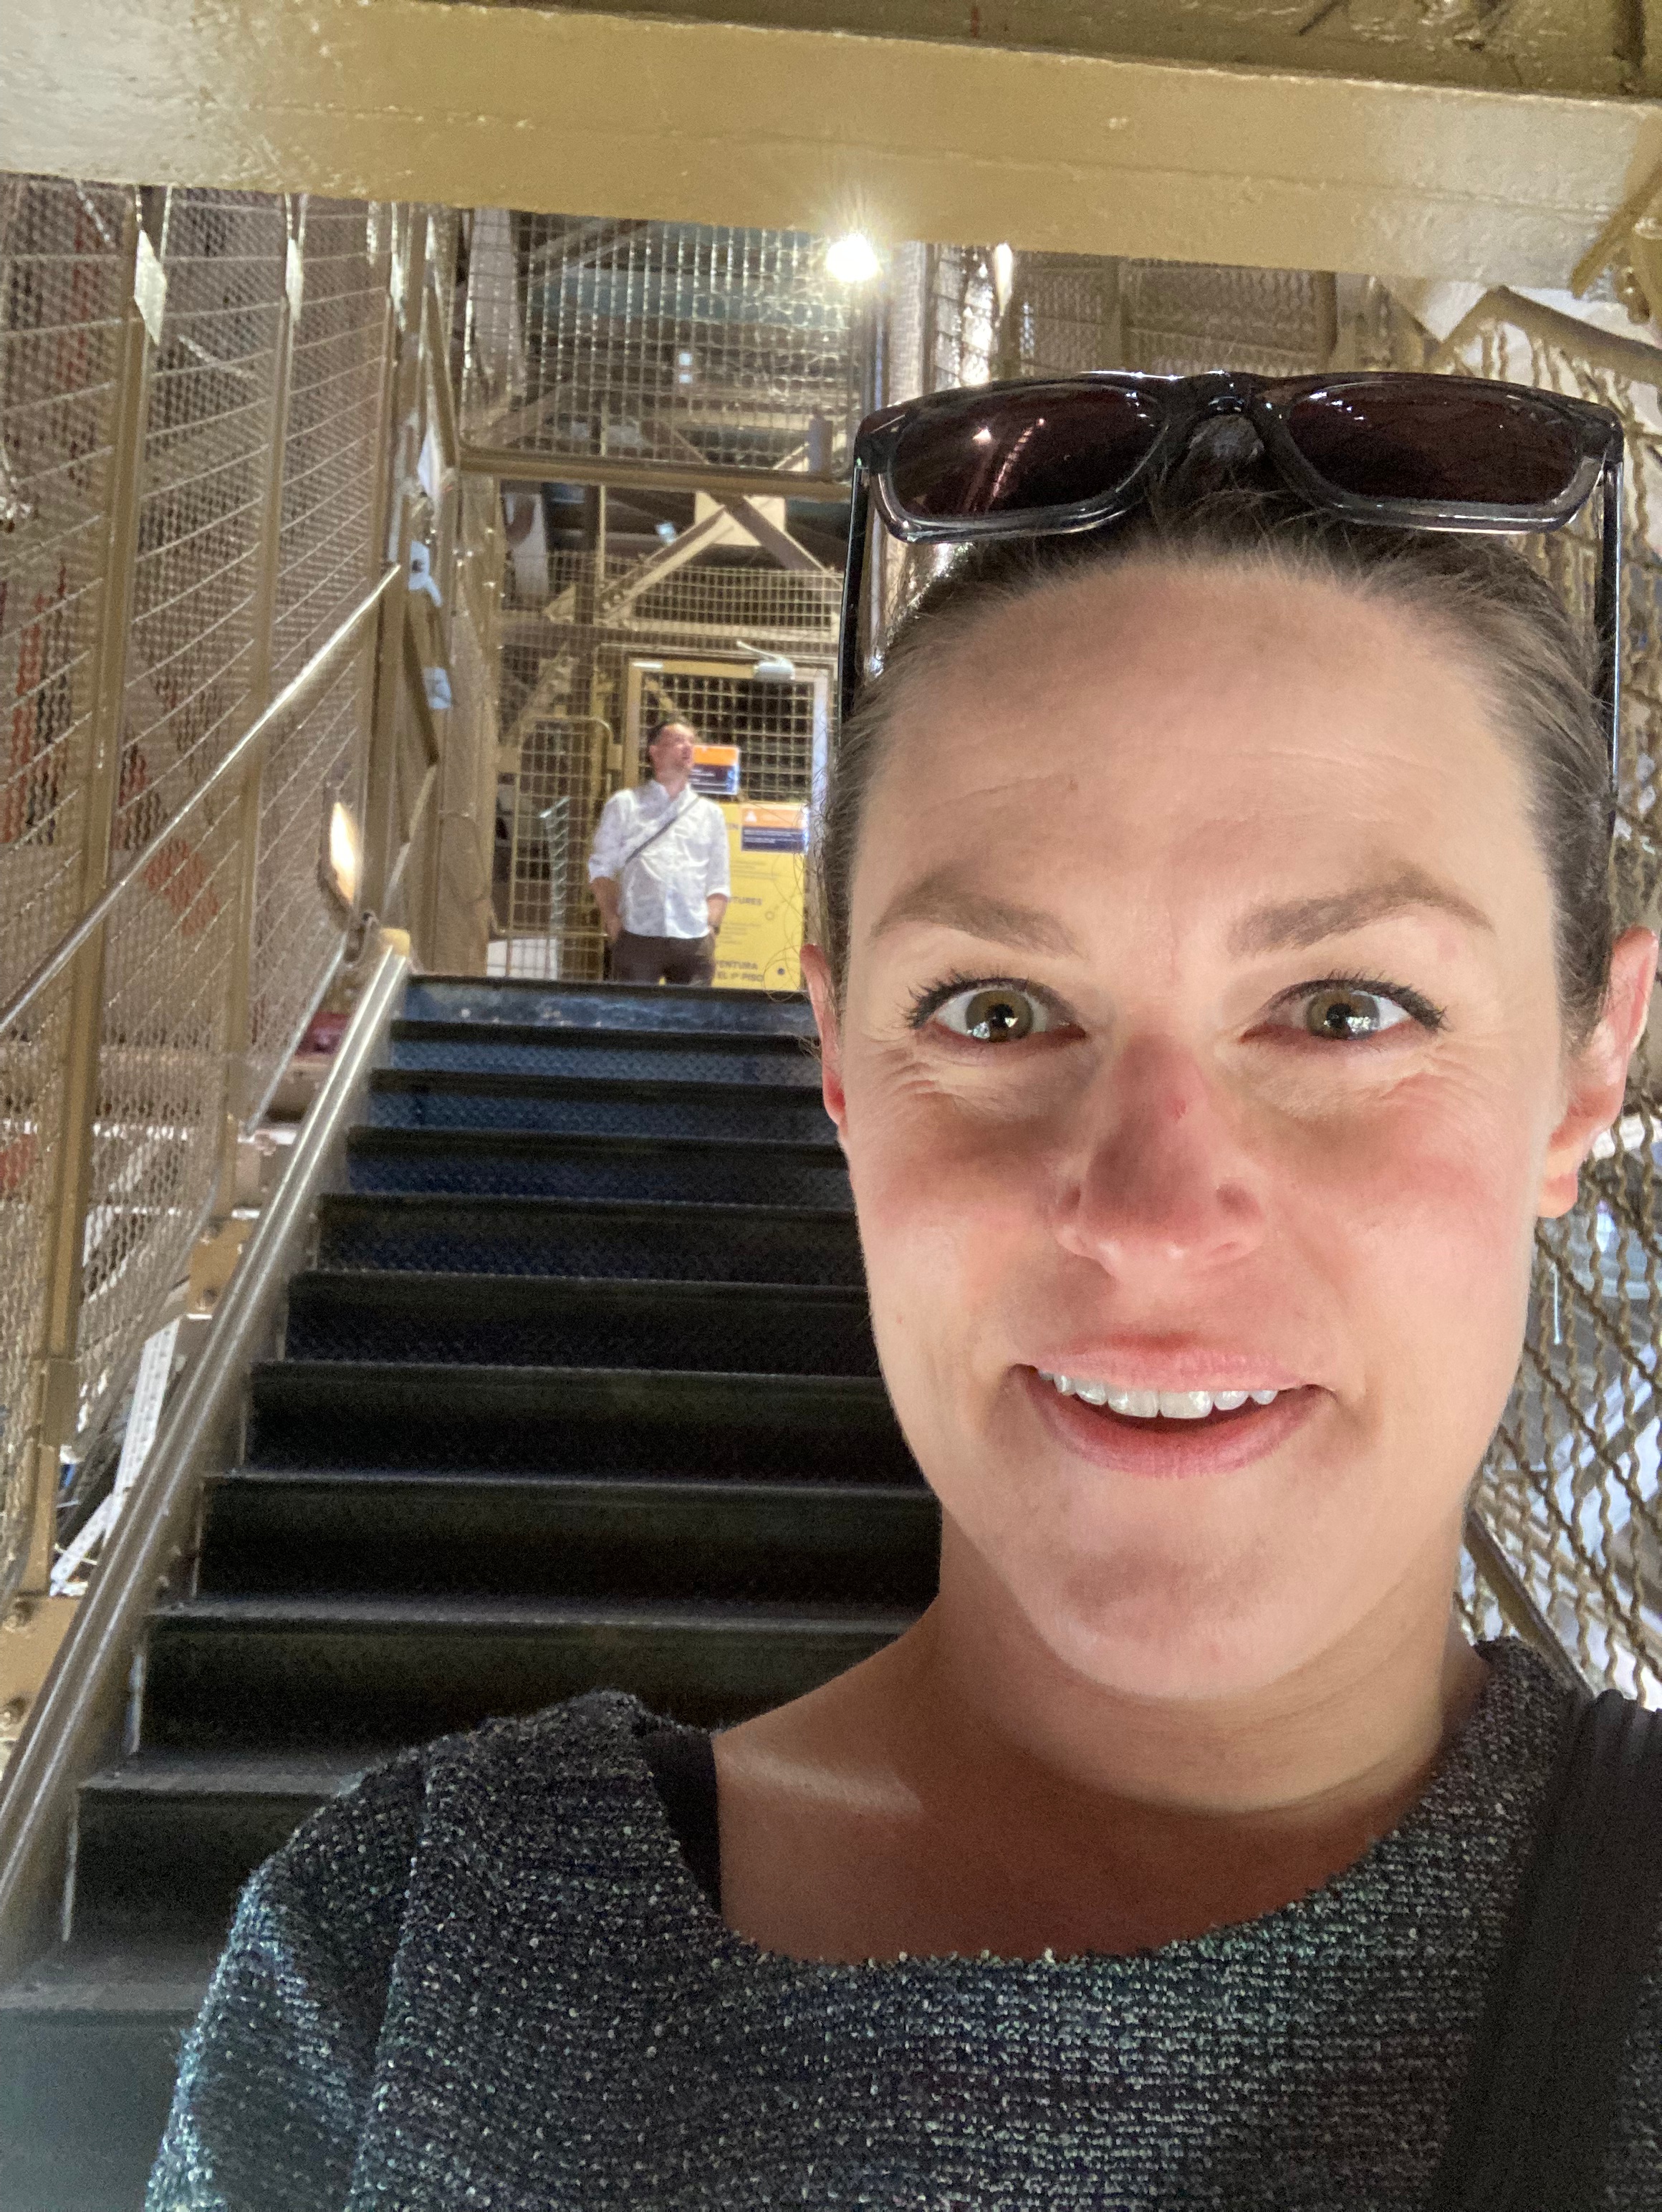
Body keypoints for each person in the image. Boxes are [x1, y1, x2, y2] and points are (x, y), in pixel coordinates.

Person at [150, 373, 1662, 2208]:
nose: (1150, 1216)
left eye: (1347, 1011)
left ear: (1587, 1074)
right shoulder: (406, 1964)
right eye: (997, 1012)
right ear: (843, 1069)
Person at [587, 715, 730, 984]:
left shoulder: (710, 814)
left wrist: (711, 927)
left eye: (691, 741)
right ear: (654, 751)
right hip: (638, 934)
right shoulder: (625, 805)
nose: (688, 747)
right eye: (678, 741)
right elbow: (601, 868)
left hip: (693, 940)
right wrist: (612, 920)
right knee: (633, 1021)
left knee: (690, 1023)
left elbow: (719, 881)